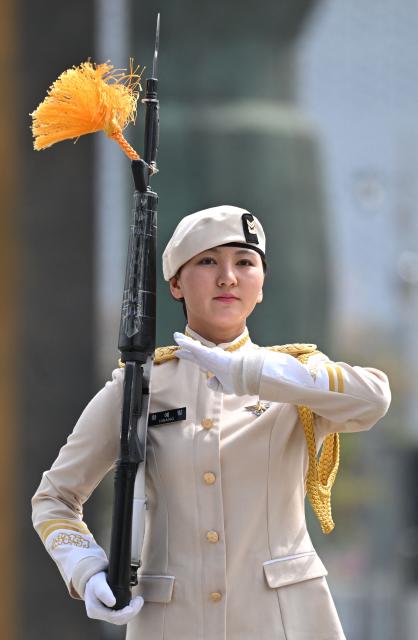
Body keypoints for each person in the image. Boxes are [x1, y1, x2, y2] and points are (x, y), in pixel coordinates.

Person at [32, 205, 391, 640]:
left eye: (245, 263)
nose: (228, 277)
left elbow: (373, 398)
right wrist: (87, 568)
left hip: (286, 621)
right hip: (172, 623)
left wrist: (250, 373)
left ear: (261, 285)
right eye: (207, 261)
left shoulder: (294, 376)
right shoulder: (138, 387)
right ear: (176, 284)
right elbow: (54, 498)